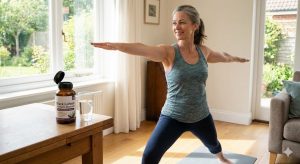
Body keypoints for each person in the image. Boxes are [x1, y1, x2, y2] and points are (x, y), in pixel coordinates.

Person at [91, 4, 249, 164]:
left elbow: (223, 56)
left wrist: (236, 59)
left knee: (214, 144)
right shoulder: (168, 52)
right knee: (149, 156)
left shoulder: (203, 51)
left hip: (201, 115)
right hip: (173, 116)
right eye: (174, 23)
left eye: (182, 22)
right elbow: (142, 48)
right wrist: (117, 46)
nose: (176, 27)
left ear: (195, 25)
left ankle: (222, 158)